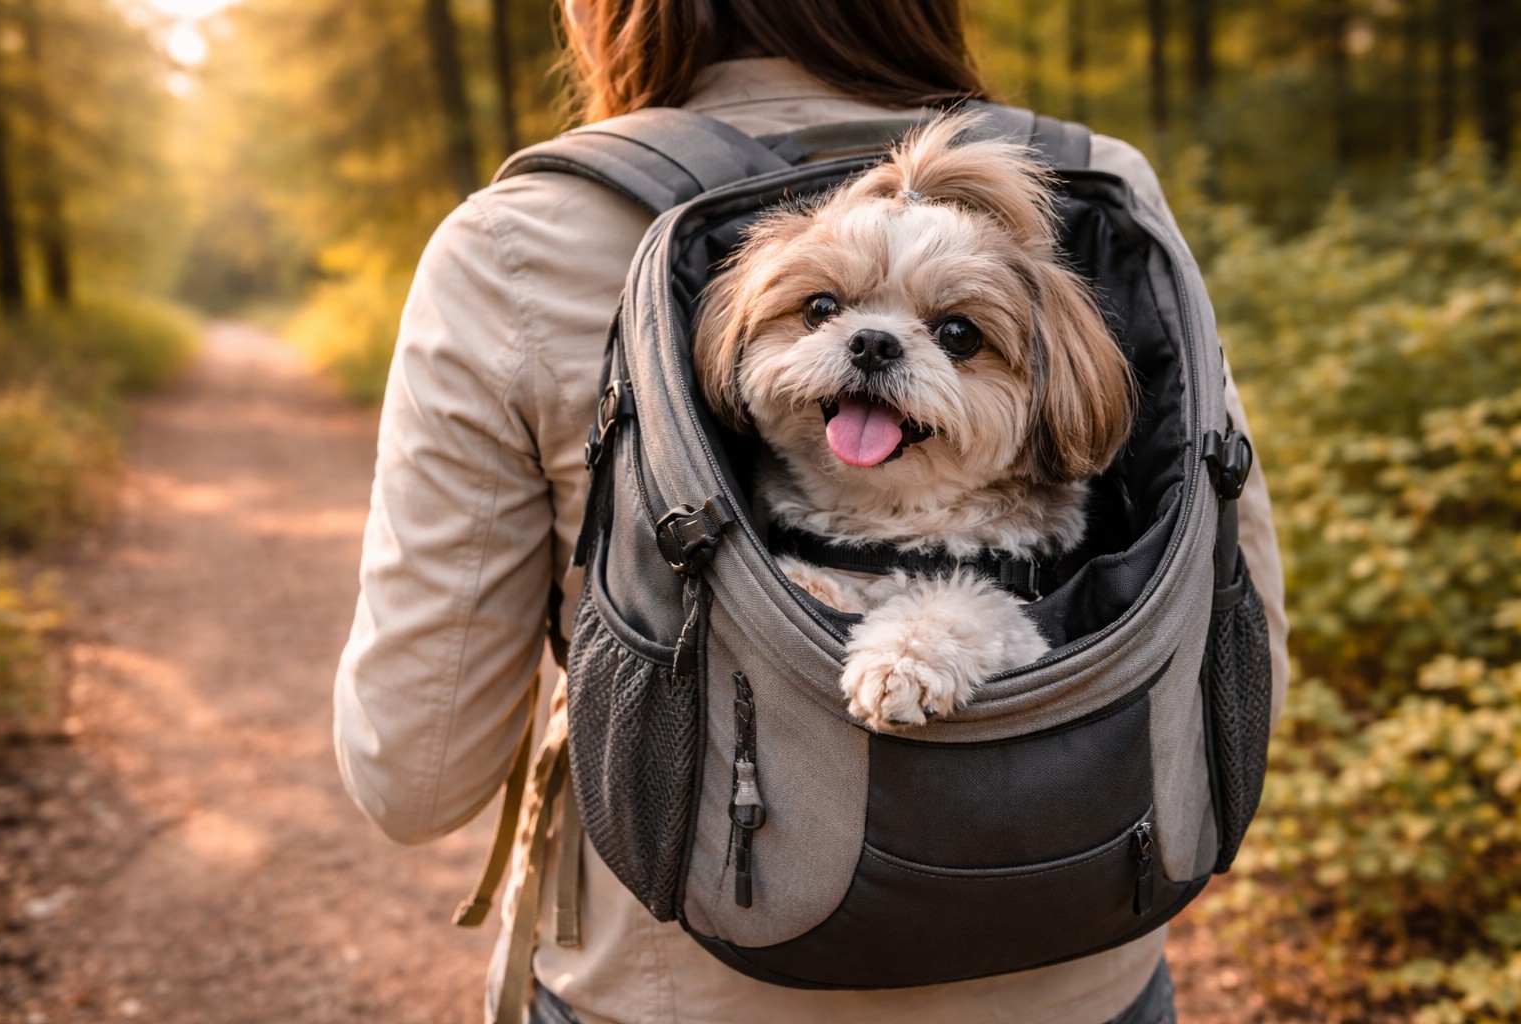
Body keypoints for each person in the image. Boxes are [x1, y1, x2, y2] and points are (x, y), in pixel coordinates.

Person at [333, 2, 1290, 1022]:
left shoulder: (514, 242)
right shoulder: (1110, 184)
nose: (875, 345)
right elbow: (1244, 665)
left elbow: (414, 778)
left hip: (672, 988)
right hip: (1088, 972)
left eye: (957, 334)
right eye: (826, 310)